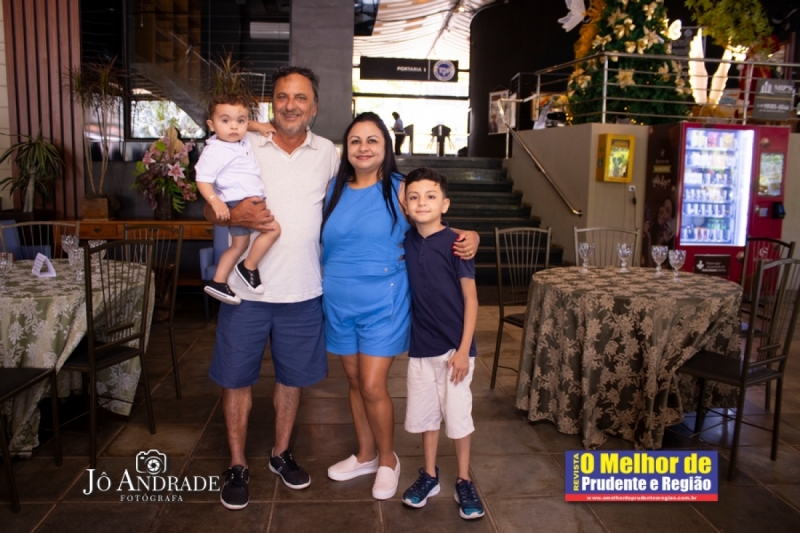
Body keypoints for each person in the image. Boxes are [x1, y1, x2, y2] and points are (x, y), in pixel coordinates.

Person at [323, 113, 479, 501]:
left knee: (372, 384)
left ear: (386, 146)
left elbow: (433, 222)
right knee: (355, 382)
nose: (363, 148)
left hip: (384, 302)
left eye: (372, 140)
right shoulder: (334, 189)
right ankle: (365, 455)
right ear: (347, 148)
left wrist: (471, 234)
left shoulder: (398, 187)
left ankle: (388, 460)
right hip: (339, 301)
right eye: (355, 140)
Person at [208, 66, 339, 511]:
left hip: (302, 290)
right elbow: (207, 200)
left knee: (292, 379)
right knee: (235, 379)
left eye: (300, 98)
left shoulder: (329, 153)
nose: (290, 105)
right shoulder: (242, 141)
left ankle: (281, 454)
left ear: (314, 108)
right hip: (244, 294)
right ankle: (237, 463)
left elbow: (371, 190)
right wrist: (233, 215)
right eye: (282, 96)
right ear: (271, 104)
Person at [399, 167, 484, 520]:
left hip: (454, 351)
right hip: (421, 347)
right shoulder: (407, 240)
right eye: (414, 197)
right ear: (406, 204)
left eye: (431, 196)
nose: (422, 202)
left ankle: (464, 479)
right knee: (427, 416)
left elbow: (472, 299)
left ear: (445, 204)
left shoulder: (457, 244)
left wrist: (463, 350)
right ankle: (430, 476)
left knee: (458, 416)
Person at [196, 93, 281, 305]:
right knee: (273, 230)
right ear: (212, 125)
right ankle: (248, 267)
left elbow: (241, 122)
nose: (234, 126)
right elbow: (203, 179)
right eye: (225, 121)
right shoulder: (214, 150)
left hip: (248, 199)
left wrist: (259, 126)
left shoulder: (240, 140)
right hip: (238, 202)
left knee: (238, 246)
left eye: (240, 121)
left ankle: (219, 280)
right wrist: (215, 201)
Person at [642, 196, 676, 266]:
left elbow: (653, 267)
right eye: (663, 206)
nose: (663, 210)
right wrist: (648, 237)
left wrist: (661, 241)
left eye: (667, 210)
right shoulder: (651, 230)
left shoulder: (670, 243)